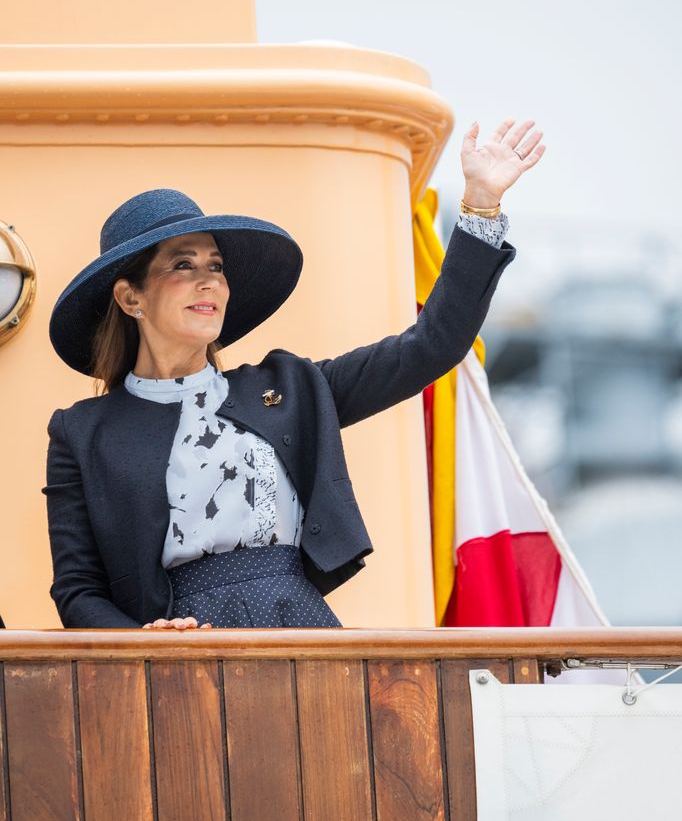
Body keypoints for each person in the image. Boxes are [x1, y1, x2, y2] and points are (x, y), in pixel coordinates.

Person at [42, 117, 544, 630]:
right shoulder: (81, 433)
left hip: (301, 628)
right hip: (178, 655)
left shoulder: (293, 388)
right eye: (183, 266)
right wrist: (147, 645)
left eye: (216, 266)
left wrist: (480, 204)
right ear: (131, 297)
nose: (208, 282)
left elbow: (433, 345)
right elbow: (78, 591)